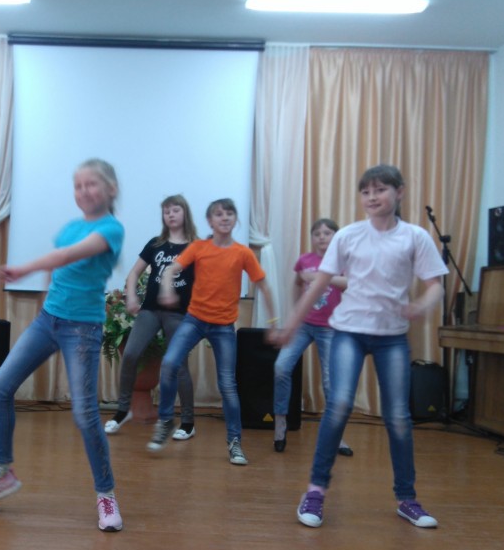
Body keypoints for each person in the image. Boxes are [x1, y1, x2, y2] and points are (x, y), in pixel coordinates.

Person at [271, 165, 447, 529]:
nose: (372, 197)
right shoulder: (348, 235)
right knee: (338, 405)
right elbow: (319, 284)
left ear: (399, 192)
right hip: (348, 332)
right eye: (366, 192)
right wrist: (291, 325)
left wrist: (420, 306)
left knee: (398, 417)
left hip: (392, 338)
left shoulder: (414, 237)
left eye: (380, 190)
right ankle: (315, 491)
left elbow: (435, 285)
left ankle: (407, 498)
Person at [0, 158, 125, 532]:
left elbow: (67, 256)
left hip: (82, 329)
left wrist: (23, 268)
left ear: (111, 189)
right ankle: (0, 472)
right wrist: (45, 303)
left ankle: (106, 494)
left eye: (91, 184)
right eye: (78, 185)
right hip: (49, 321)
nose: (83, 191)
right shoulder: (70, 226)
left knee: (85, 414)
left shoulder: (111, 229)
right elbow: (57, 268)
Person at [149, 198, 276, 465]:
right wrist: (167, 289)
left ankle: (235, 442)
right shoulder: (199, 247)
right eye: (219, 214)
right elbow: (171, 270)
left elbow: (264, 285)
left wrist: (274, 321)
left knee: (227, 385)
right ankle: (165, 421)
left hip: (223, 327)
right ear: (210, 221)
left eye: (230, 213)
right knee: (170, 363)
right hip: (194, 320)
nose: (225, 217)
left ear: (235, 220)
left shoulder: (242, 253)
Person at [104, 194, 198, 440]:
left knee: (179, 365)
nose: (170, 214)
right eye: (166, 211)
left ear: (185, 213)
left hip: (179, 313)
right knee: (130, 354)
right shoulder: (156, 244)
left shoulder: (196, 247)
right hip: (150, 310)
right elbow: (134, 273)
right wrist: (131, 296)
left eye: (175, 210)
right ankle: (123, 410)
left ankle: (188, 422)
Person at [272, 218, 353, 456]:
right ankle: (280, 426)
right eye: (317, 233)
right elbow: (297, 284)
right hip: (304, 326)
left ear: (335, 237)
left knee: (330, 382)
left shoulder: (342, 261)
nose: (321, 237)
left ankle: (336, 436)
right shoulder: (304, 260)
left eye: (327, 233)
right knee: (281, 367)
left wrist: (320, 278)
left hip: (330, 329)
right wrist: (296, 310)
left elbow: (349, 283)